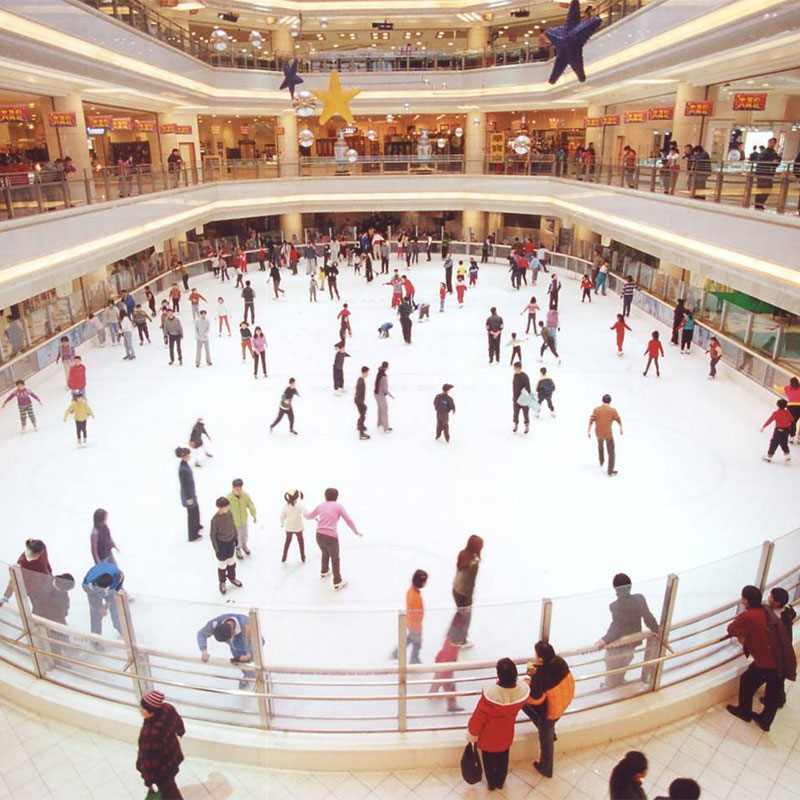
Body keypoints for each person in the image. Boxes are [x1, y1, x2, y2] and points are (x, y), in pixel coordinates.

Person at [726, 584, 796, 732]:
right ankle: (765, 721)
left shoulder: (750, 615)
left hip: (767, 662)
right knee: (773, 690)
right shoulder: (766, 611)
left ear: (746, 600)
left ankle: (745, 711)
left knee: (747, 680)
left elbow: (732, 629)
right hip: (779, 658)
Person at [466, 657, 530, 792]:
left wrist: (471, 734)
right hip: (506, 736)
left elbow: (476, 721)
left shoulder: (489, 698)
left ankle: (491, 783)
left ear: (498, 675)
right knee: (503, 760)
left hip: (487, 741)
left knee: (489, 762)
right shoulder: (520, 695)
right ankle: (500, 781)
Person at [596, 573, 660, 688]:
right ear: (630, 585)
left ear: (615, 588)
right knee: (619, 676)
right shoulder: (639, 599)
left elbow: (619, 627)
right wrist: (658, 629)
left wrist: (605, 639)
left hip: (615, 649)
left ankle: (610, 693)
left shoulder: (615, 606)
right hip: (630, 647)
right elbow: (648, 617)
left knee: (611, 680)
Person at [523, 640, 575, 778]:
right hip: (563, 703)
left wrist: (527, 682)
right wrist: (533, 668)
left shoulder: (541, 673)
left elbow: (535, 697)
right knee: (546, 727)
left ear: (540, 657)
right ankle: (550, 733)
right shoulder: (560, 662)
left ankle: (546, 768)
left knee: (545, 741)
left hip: (551, 711)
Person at [304, 487, 363, 591]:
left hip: (319, 535)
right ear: (336, 497)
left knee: (324, 552)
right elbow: (348, 520)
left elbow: (309, 516)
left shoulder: (320, 506)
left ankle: (324, 570)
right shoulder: (338, 506)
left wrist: (304, 512)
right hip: (331, 537)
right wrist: (355, 531)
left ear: (325, 496)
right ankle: (337, 581)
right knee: (335, 558)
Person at [136, 690, 186, 800]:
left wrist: (147, 780)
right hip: (173, 757)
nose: (140, 709)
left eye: (143, 708)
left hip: (162, 771)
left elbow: (147, 760)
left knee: (170, 792)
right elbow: (178, 721)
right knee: (170, 785)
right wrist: (180, 731)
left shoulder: (149, 734)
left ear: (151, 712)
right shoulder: (168, 709)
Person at [196, 614, 256, 688]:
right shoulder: (214, 624)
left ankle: (257, 676)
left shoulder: (246, 624)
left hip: (250, 644)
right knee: (239, 661)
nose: (229, 641)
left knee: (253, 661)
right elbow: (201, 634)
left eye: (229, 639)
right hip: (236, 649)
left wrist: (249, 653)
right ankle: (247, 675)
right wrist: (204, 650)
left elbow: (260, 641)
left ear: (232, 630)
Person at [766, 586, 797, 708]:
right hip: (785, 647)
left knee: (777, 678)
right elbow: (793, 615)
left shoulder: (777, 618)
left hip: (780, 650)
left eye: (771, 597)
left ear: (777, 602)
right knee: (779, 678)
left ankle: (776, 700)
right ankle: (779, 699)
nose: (768, 598)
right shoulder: (788, 610)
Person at [0, 539, 53, 607]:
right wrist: (6, 597)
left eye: (33, 554)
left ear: (38, 554)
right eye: (29, 551)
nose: (29, 554)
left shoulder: (42, 557)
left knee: (41, 604)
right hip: (31, 586)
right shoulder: (23, 562)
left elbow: (41, 545)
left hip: (41, 584)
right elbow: (14, 580)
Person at [451, 535, 482, 648]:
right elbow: (470, 584)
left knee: (460, 614)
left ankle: (454, 635)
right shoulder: (474, 563)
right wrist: (469, 602)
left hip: (456, 589)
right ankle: (460, 640)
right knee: (466, 617)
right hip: (463, 593)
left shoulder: (463, 554)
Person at [392, 569, 427, 664]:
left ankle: (396, 652)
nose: (426, 583)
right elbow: (417, 613)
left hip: (410, 622)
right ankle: (414, 659)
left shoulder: (410, 591)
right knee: (417, 643)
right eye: (425, 581)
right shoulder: (415, 597)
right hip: (415, 625)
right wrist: (418, 625)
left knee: (409, 638)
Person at [82, 561, 124, 638]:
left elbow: (116, 589)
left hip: (110, 586)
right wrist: (98, 608)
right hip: (93, 591)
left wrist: (108, 603)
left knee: (116, 613)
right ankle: (96, 640)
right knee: (96, 615)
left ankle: (124, 632)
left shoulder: (118, 576)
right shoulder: (88, 581)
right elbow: (88, 591)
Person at [210, 497, 242, 595]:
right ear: (219, 507)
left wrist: (236, 538)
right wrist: (216, 549)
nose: (227, 509)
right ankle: (222, 581)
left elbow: (233, 526)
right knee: (222, 564)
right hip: (221, 544)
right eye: (225, 507)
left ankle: (232, 577)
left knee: (231, 561)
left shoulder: (229, 514)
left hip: (230, 541)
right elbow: (212, 535)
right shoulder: (215, 520)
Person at [588, 394, 623, 476]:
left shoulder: (596, 410)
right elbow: (618, 419)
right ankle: (610, 470)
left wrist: (589, 431)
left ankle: (601, 460)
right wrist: (621, 428)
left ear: (602, 400)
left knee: (600, 445)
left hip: (598, 432)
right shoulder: (613, 410)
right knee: (611, 451)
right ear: (610, 401)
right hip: (608, 433)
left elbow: (591, 420)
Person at [176, 447, 202, 542]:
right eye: (187, 455)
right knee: (192, 514)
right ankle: (192, 534)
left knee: (196, 510)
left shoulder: (185, 465)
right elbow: (184, 484)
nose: (189, 456)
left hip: (191, 492)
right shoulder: (183, 469)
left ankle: (197, 525)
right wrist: (188, 497)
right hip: (188, 494)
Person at [228, 479, 257, 559]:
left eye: (240, 489)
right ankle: (238, 548)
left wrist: (253, 514)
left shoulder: (245, 496)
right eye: (236, 489)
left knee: (244, 534)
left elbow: (250, 504)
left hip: (243, 520)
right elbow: (227, 510)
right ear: (233, 488)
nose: (238, 491)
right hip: (235, 522)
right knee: (237, 536)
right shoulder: (229, 498)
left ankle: (244, 545)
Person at [761, 398, 793, 463]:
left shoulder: (776, 413)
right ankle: (787, 455)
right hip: (786, 430)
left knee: (773, 443)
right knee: (784, 443)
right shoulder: (787, 412)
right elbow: (791, 419)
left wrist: (764, 426)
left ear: (777, 405)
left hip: (778, 431)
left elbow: (770, 420)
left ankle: (769, 456)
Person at [754, 137, 782, 210]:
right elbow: (761, 162)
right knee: (762, 189)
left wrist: (776, 162)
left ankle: (760, 203)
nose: (772, 144)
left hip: (769, 174)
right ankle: (758, 203)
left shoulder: (774, 152)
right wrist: (772, 162)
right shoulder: (764, 152)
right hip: (763, 173)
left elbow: (777, 161)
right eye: (771, 142)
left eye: (774, 143)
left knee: (767, 189)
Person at [280, 489, 306, 564]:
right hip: (298, 527)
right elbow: (305, 512)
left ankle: (284, 555)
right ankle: (302, 556)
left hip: (289, 528)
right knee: (301, 541)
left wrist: (282, 523)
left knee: (287, 541)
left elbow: (281, 516)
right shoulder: (299, 506)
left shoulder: (286, 506)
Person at [776, 376, 800, 442]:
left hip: (791, 407)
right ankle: (799, 436)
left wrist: (775, 386)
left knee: (792, 422)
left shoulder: (788, 388)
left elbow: (779, 389)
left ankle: (791, 436)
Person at [512, 362, 532, 434]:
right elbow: (514, 387)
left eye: (515, 367)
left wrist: (526, 397)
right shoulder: (515, 375)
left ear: (519, 368)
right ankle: (516, 425)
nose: (514, 369)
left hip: (524, 399)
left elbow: (528, 389)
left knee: (525, 413)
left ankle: (526, 425)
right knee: (515, 413)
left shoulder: (525, 377)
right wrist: (514, 397)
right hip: (516, 399)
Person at [374, 361, 393, 432]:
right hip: (380, 395)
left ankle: (380, 423)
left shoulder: (379, 373)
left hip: (376, 394)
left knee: (380, 409)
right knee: (384, 410)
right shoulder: (383, 377)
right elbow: (385, 389)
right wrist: (391, 395)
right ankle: (386, 427)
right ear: (386, 367)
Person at [354, 365, 370, 441]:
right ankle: (361, 433)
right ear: (364, 372)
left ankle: (360, 426)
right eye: (367, 372)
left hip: (359, 400)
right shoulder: (361, 382)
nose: (368, 374)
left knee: (363, 413)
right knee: (362, 415)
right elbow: (359, 393)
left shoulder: (361, 380)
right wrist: (362, 404)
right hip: (359, 401)